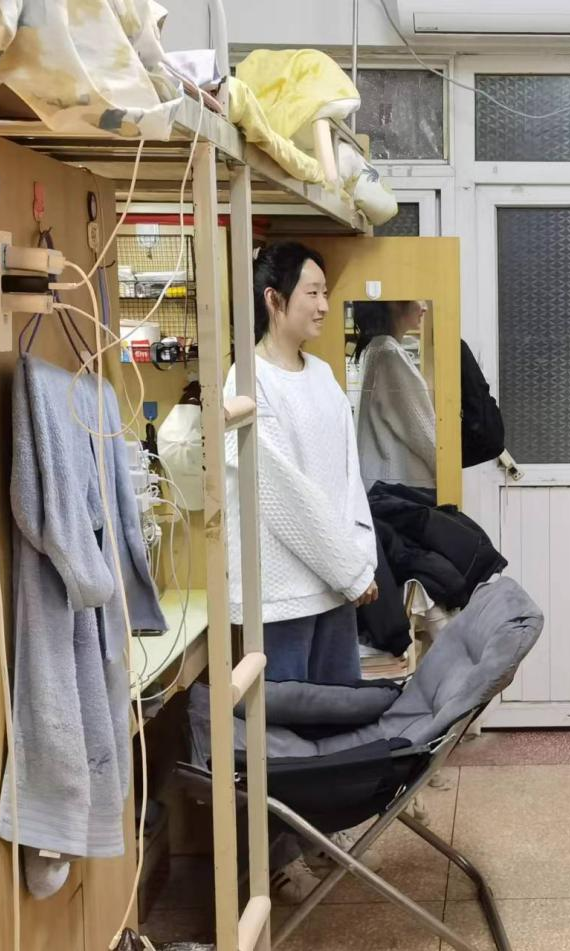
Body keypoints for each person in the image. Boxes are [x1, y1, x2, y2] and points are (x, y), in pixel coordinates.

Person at [224, 241, 381, 900]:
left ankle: (325, 834)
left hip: (334, 587)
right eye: (312, 292)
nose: (323, 304)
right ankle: (276, 858)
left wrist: (359, 558)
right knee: (278, 742)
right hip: (281, 596)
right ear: (274, 299)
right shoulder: (246, 381)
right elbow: (280, 492)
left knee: (335, 727)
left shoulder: (322, 375)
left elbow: (347, 478)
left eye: (324, 291)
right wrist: (349, 568)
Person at [353, 299, 438, 489]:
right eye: (418, 299)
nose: (424, 307)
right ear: (394, 303)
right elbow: (426, 438)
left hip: (385, 490)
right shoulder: (389, 354)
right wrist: (450, 470)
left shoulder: (375, 348)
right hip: (400, 492)